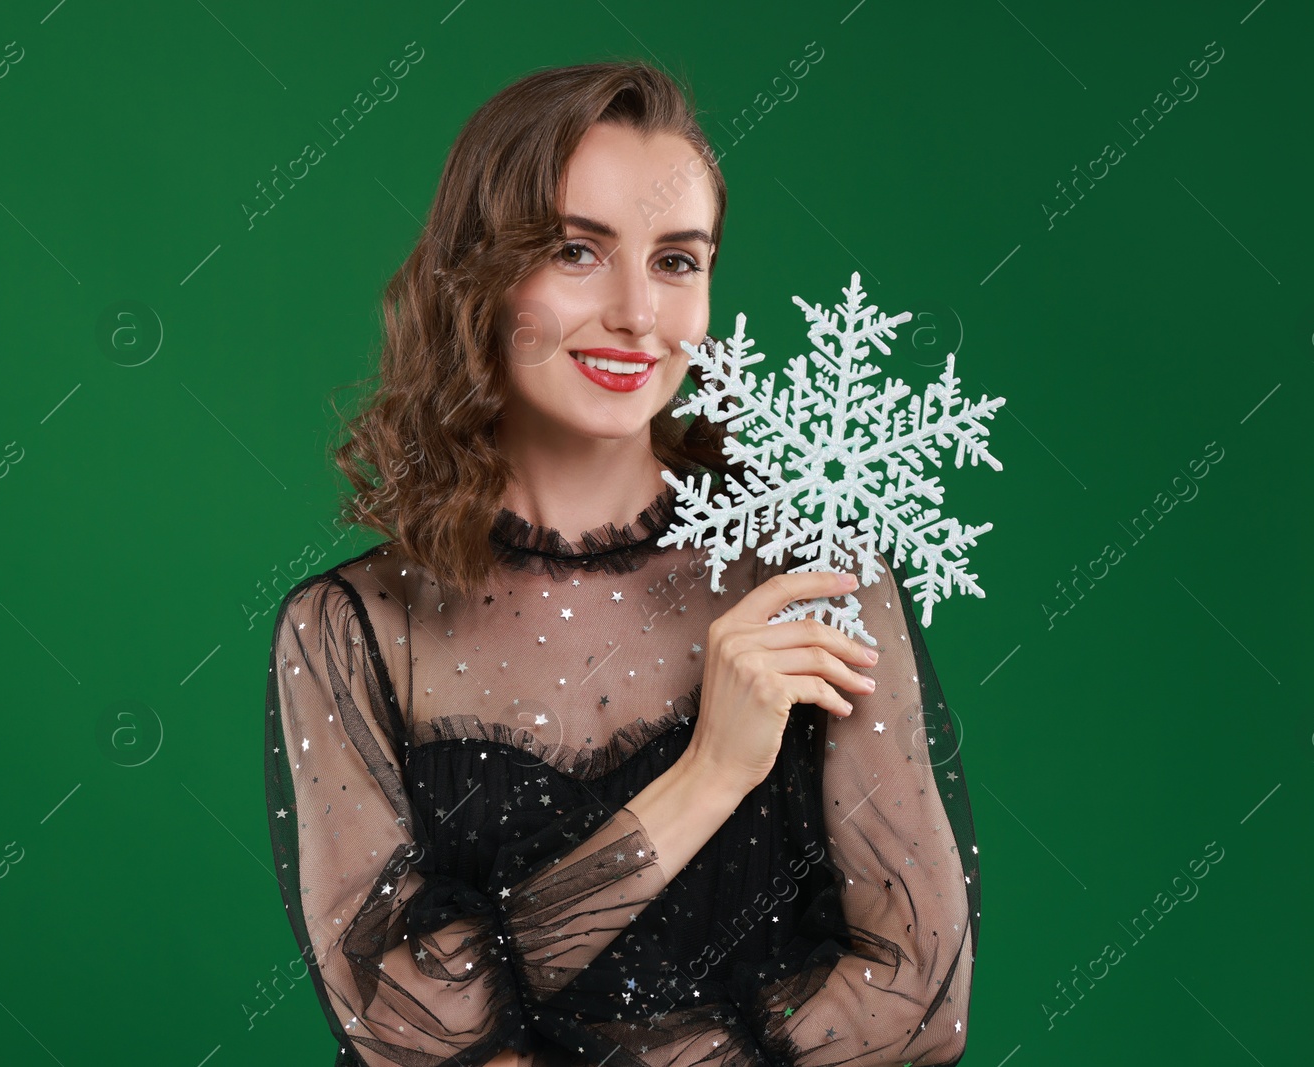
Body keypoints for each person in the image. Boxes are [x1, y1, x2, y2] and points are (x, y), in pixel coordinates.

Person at [263, 61, 980, 1067]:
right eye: (575, 250)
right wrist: (710, 773)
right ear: (477, 276)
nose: (638, 312)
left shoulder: (815, 579)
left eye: (678, 260)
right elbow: (408, 1021)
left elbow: (913, 1001)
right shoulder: (351, 628)